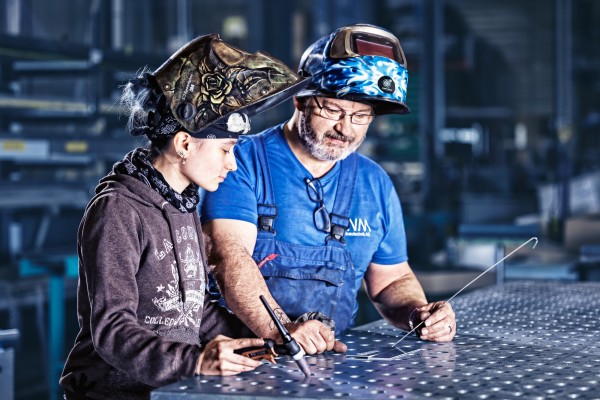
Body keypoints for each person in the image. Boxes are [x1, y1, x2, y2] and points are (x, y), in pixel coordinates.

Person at [59, 33, 308, 400]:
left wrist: (265, 338)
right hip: (112, 394)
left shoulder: (183, 205)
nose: (232, 163)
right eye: (225, 149)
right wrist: (196, 362)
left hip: (171, 390)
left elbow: (188, 311)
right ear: (184, 144)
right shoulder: (118, 210)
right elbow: (112, 329)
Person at [200, 24, 456, 354]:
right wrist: (283, 329)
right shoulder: (239, 162)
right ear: (299, 100)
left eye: (361, 115)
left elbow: (391, 280)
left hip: (326, 364)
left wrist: (419, 315)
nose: (344, 128)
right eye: (332, 109)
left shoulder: (373, 182)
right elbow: (228, 257)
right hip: (238, 356)